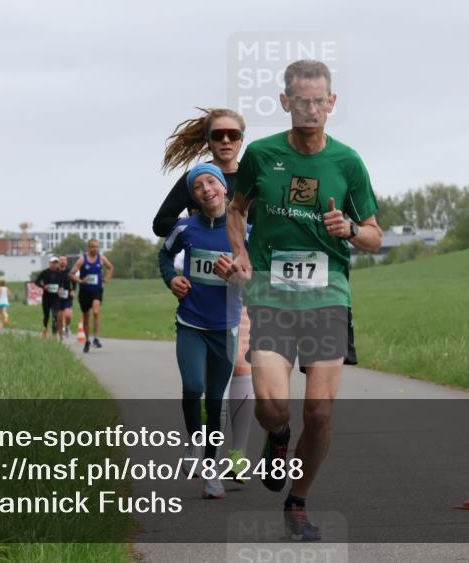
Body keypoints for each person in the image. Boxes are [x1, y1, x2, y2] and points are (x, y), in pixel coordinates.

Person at [224, 60, 382, 541]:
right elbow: (236, 209)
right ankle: (276, 436)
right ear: (285, 102)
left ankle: (298, 502)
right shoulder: (261, 154)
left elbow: (374, 236)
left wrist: (351, 229)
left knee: (319, 411)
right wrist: (240, 255)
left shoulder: (348, 162)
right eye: (302, 100)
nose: (311, 109)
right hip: (271, 291)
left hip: (328, 294)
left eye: (320, 101)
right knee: (274, 406)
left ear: (332, 104)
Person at [153, 107, 256, 480]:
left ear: (242, 139)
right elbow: (161, 225)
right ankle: (199, 446)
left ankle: (238, 453)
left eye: (233, 135)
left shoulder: (254, 174)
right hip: (203, 292)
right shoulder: (195, 179)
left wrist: (246, 228)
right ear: (209, 141)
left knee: (242, 366)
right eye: (218, 136)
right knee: (204, 384)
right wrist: (199, 215)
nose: (226, 141)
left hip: (245, 278)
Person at [158, 163, 247, 500]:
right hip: (191, 324)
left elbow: (255, 278)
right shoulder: (186, 228)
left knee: (215, 400)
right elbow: (164, 257)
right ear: (193, 196)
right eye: (197, 186)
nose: (206, 189)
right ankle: (194, 443)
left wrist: (237, 276)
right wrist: (172, 279)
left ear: (225, 188)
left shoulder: (244, 232)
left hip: (225, 327)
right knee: (193, 386)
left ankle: (212, 472)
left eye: (212, 182)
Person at [71, 238, 114, 352]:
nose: (95, 249)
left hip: (97, 290)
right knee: (86, 317)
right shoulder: (82, 259)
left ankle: (95, 338)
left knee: (95, 312)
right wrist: (80, 281)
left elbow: (110, 267)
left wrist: (107, 278)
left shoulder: (101, 258)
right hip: (84, 292)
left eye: (96, 247)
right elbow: (71, 274)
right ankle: (87, 340)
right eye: (92, 247)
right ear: (88, 247)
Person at [35, 257, 64, 338]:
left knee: (55, 315)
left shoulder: (59, 274)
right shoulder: (44, 273)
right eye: (53, 263)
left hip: (56, 298)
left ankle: (54, 333)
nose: (54, 264)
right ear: (49, 263)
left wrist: (60, 289)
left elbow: (62, 284)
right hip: (46, 297)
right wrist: (43, 286)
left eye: (56, 263)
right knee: (46, 315)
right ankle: (45, 329)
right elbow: (36, 281)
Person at [56, 255, 75, 338]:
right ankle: (60, 336)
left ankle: (67, 326)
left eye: (64, 260)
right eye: (61, 259)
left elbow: (74, 282)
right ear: (58, 262)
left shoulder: (70, 272)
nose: (63, 261)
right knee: (59, 318)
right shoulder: (54, 272)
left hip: (68, 296)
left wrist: (73, 290)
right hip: (57, 297)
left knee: (68, 315)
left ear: (67, 262)